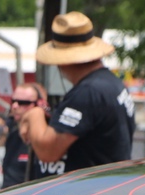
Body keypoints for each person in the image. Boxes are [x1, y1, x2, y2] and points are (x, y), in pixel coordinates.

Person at [17, 11, 135, 176]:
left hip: (90, 194)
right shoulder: (112, 84)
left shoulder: (88, 92)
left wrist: (33, 114)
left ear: (63, 61)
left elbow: (48, 151)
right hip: (107, 187)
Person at [1, 81, 47, 187]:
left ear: (40, 104)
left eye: (23, 102)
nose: (15, 106)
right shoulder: (13, 136)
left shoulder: (47, 136)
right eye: (13, 101)